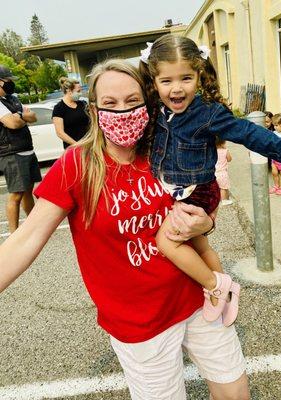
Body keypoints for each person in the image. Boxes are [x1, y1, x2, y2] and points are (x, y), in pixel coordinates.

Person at [0, 59, 253, 400]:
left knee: (235, 391)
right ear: (95, 110)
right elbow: (26, 239)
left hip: (200, 297)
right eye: (110, 104)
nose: (123, 111)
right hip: (140, 325)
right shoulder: (77, 165)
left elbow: (203, 204)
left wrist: (206, 221)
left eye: (133, 101)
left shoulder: (168, 151)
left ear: (148, 103)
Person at [138, 34, 281, 327]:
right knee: (199, 246)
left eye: (186, 78)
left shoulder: (208, 113)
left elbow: (250, 134)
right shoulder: (154, 110)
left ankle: (215, 287)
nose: (177, 88)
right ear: (154, 81)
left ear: (199, 76)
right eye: (167, 81)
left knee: (167, 241)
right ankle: (227, 291)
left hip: (198, 191)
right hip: (176, 191)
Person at [0, 65, 42, 233]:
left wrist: (19, 116)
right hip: (12, 153)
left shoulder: (12, 99)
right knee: (16, 194)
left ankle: (32, 227)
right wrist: (22, 116)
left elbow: (34, 116)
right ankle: (14, 234)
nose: (11, 83)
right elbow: (12, 123)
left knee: (27, 192)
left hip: (27, 149)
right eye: (8, 80)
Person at [52, 77, 90, 149]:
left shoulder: (82, 104)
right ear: (69, 91)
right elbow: (60, 133)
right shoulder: (59, 108)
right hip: (73, 148)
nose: (80, 94)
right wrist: (78, 145)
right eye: (78, 91)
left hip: (89, 145)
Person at [216, 139, 233, 206]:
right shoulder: (225, 151)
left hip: (214, 172)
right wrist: (226, 150)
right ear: (222, 144)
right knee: (223, 188)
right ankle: (224, 200)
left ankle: (217, 199)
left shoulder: (213, 151)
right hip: (222, 173)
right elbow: (229, 159)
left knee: (217, 187)